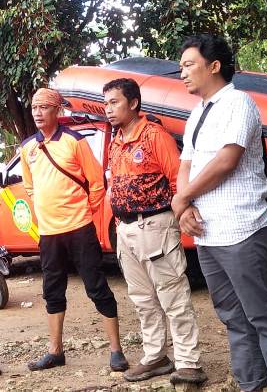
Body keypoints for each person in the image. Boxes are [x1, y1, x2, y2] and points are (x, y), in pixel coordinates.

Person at [171, 34, 267, 392]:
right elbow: (188, 163)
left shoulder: (238, 103)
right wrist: (183, 204)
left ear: (214, 66)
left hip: (243, 229)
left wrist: (181, 199)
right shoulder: (197, 112)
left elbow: (226, 161)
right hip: (208, 235)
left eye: (188, 65)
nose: (182, 73)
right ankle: (251, 384)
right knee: (233, 318)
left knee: (264, 317)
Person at [104, 78, 207, 384]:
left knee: (172, 296)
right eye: (106, 103)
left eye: (115, 102)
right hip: (126, 229)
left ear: (133, 103)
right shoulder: (117, 140)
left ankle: (189, 362)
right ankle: (155, 357)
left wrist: (184, 212)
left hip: (156, 225)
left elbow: (178, 181)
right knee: (142, 299)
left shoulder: (154, 135)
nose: (108, 109)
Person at [20, 88, 128, 372]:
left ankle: (116, 350)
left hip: (79, 228)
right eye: (34, 108)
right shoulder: (28, 147)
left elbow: (96, 183)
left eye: (44, 107)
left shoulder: (74, 141)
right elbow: (30, 187)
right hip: (49, 233)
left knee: (96, 286)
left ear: (57, 111)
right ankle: (55, 351)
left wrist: (85, 213)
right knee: (52, 290)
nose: (38, 113)